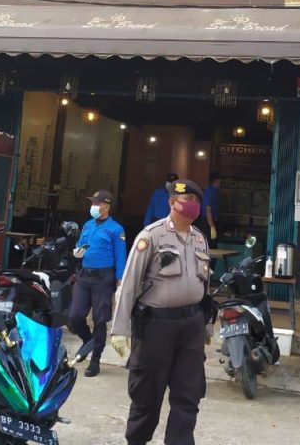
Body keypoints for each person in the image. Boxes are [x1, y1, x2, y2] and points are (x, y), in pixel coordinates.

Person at [111, 179, 211, 445]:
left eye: (196, 201)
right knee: (147, 395)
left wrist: (207, 326)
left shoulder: (200, 239)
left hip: (192, 326)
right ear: (172, 203)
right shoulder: (151, 236)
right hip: (156, 326)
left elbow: (205, 287)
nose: (192, 205)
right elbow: (129, 283)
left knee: (189, 394)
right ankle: (137, 440)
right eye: (187, 200)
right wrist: (120, 329)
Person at [69, 190, 127, 377]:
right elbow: (81, 243)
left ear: (106, 206)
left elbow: (120, 256)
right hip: (84, 275)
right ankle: (88, 341)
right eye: (92, 203)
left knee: (100, 320)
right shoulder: (88, 225)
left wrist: (120, 279)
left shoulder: (116, 229)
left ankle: (95, 360)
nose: (93, 206)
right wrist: (78, 251)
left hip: (103, 277)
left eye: (97, 203)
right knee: (74, 317)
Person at [200, 172, 220, 242]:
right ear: (217, 180)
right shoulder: (209, 191)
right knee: (209, 243)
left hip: (212, 221)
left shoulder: (214, 191)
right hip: (207, 222)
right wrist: (212, 227)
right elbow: (208, 210)